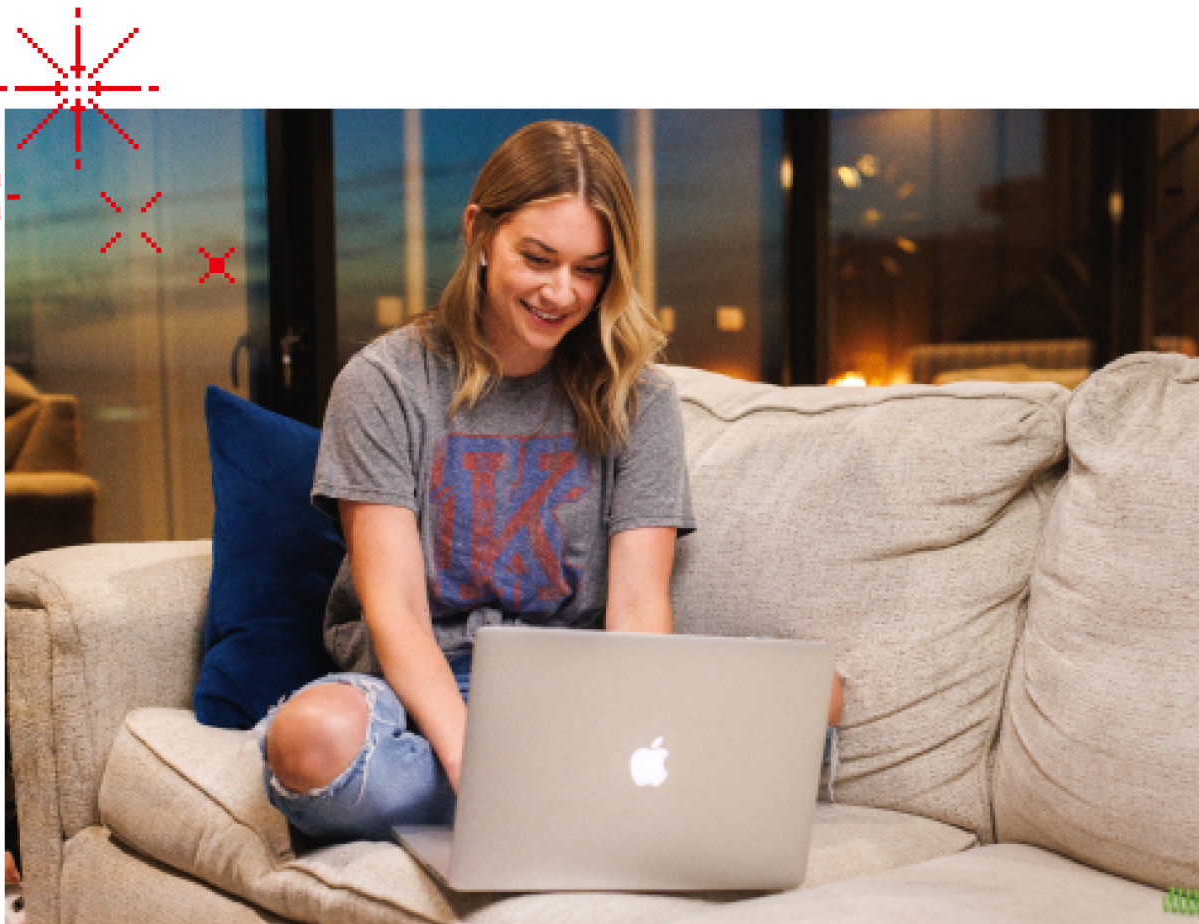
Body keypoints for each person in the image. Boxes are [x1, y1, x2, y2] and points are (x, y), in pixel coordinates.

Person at [257, 120, 844, 842]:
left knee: (814, 696)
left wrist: (633, 732)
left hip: (575, 694)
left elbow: (635, 608)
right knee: (310, 740)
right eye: (538, 258)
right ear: (480, 232)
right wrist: (477, 758)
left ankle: (555, 798)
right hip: (419, 693)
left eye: (590, 268)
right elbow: (397, 613)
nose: (562, 292)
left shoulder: (640, 400)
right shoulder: (385, 383)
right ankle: (573, 804)